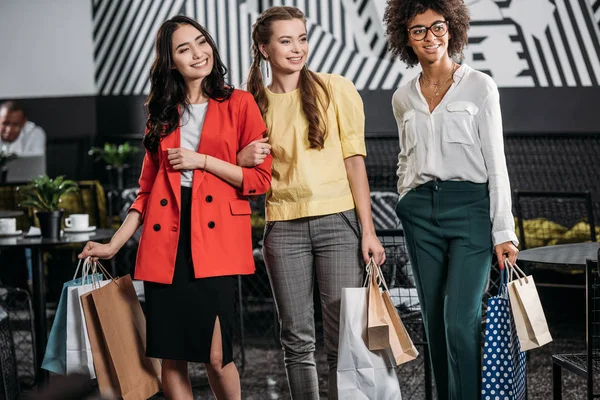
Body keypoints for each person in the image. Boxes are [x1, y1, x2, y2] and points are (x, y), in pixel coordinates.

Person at [78, 15, 272, 400]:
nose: (199, 53)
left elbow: (260, 181)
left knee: (217, 356)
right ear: (171, 62)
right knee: (172, 358)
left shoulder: (240, 103)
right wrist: (113, 245)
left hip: (214, 239)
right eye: (184, 49)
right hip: (165, 240)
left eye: (201, 42)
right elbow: (146, 192)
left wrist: (204, 160)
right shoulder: (162, 112)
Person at [238, 6, 385, 399]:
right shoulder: (250, 103)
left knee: (344, 341)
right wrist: (240, 158)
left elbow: (355, 164)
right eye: (285, 40)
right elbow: (248, 177)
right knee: (297, 341)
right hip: (282, 229)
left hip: (339, 224)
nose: (297, 48)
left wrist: (368, 231)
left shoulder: (336, 88)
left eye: (302, 38)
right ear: (263, 48)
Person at [384, 0, 519, 398]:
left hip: (471, 211)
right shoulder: (402, 97)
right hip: (420, 212)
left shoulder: (480, 86)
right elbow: (406, 157)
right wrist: (405, 196)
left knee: (459, 321)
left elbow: (497, 163)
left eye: (438, 27)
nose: (431, 37)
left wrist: (504, 231)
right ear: (405, 38)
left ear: (452, 28)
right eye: (419, 30)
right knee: (432, 322)